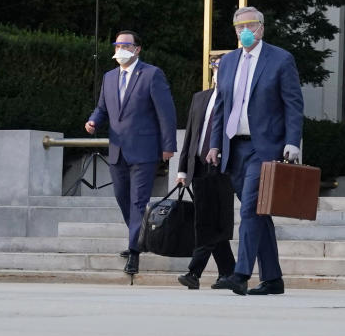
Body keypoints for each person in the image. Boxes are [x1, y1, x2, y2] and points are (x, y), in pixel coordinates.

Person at [206, 7, 303, 296]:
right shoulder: (227, 62)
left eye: (249, 25)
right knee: (260, 212)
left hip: (266, 147)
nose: (244, 31)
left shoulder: (281, 59)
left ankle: (241, 273)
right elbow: (221, 106)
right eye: (238, 26)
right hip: (234, 147)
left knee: (250, 208)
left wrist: (292, 141)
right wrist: (214, 143)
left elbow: (293, 104)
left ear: (261, 27)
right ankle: (273, 278)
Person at [85, 31, 177, 275]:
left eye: (126, 45)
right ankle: (138, 238)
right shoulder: (109, 77)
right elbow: (102, 107)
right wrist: (93, 121)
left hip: (144, 150)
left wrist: (168, 146)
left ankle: (134, 252)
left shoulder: (151, 74)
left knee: (138, 201)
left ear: (137, 49)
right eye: (117, 44)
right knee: (122, 197)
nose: (120, 49)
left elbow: (165, 113)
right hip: (117, 150)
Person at [175, 53, 235, 290]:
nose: (219, 72)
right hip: (198, 166)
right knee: (209, 221)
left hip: (222, 167)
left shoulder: (235, 99)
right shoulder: (200, 98)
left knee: (212, 221)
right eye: (216, 68)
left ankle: (194, 271)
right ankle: (228, 272)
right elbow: (190, 136)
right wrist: (182, 170)